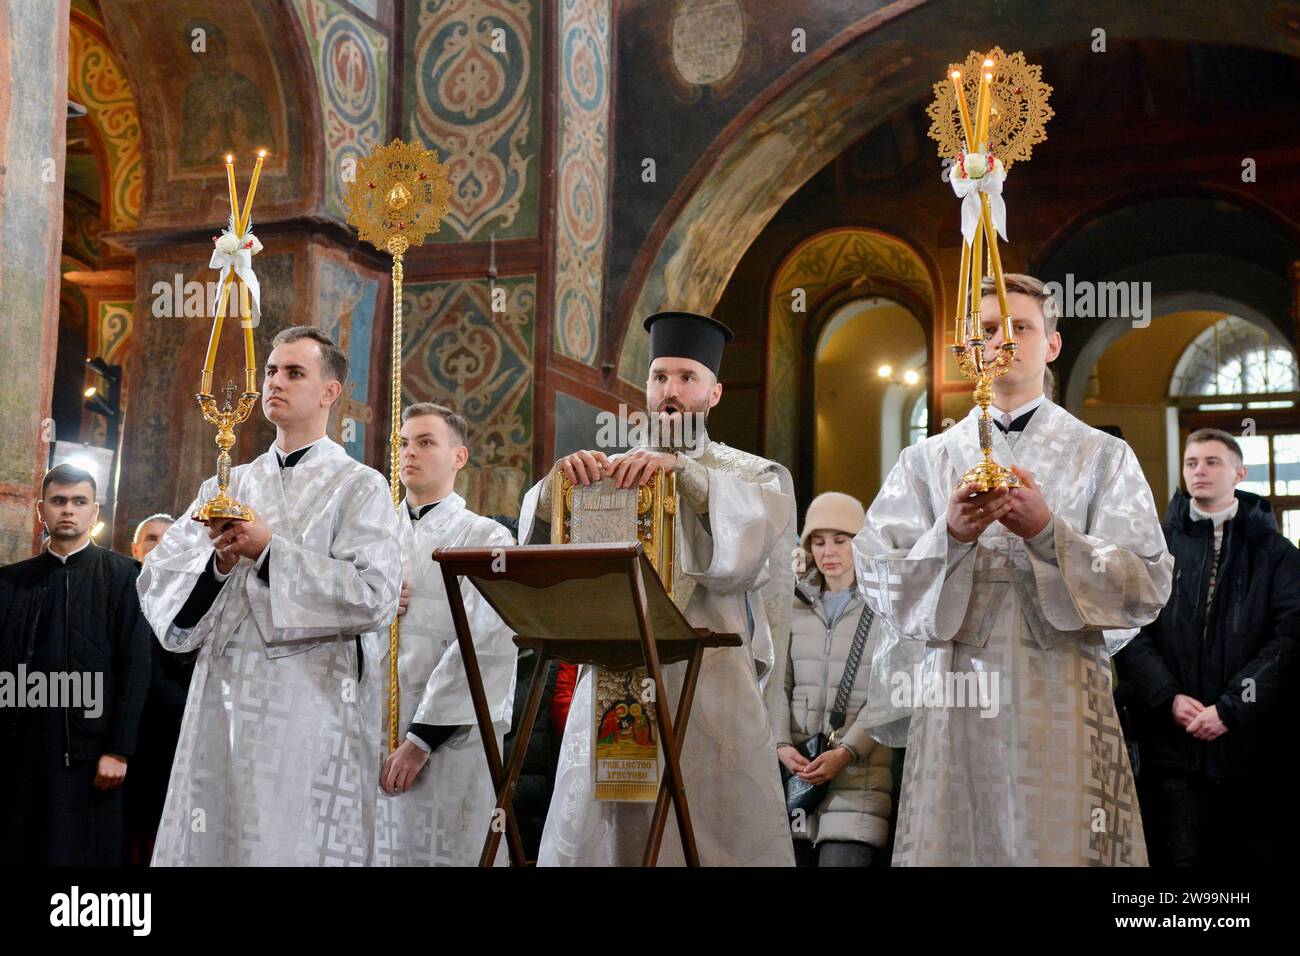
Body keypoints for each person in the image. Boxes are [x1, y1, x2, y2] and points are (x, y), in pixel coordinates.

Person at [856, 274, 1173, 866]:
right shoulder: (925, 460)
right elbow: (877, 573)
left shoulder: (1102, 455)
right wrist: (947, 536)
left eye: (1021, 327)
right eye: (988, 330)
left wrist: (1051, 535)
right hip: (956, 688)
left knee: (1056, 841)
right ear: (970, 348)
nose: (1003, 341)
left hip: (1059, 682)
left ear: (1051, 344)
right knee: (959, 838)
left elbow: (1148, 581)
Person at [519, 310, 797, 866]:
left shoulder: (753, 473)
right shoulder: (611, 468)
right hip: (617, 676)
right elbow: (555, 564)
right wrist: (552, 494)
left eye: (687, 378)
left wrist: (686, 475)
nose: (670, 391)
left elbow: (753, 553)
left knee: (709, 829)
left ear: (714, 393)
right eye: (659, 377)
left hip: (711, 682)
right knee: (609, 834)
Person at [137, 326, 402, 866]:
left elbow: (374, 595)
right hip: (226, 693)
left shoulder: (360, 486)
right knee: (220, 834)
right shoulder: (226, 484)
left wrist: (270, 551)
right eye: (271, 371)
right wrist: (217, 565)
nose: (275, 383)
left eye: (294, 372)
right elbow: (161, 583)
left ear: (330, 393)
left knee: (294, 841)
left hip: (313, 698)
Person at [1119, 428, 1300, 866]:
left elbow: (1288, 639)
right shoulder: (1154, 546)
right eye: (1191, 462)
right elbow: (1130, 627)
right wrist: (1168, 697)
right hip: (1170, 739)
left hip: (1250, 742)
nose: (1199, 470)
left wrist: (1233, 707)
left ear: (1239, 472)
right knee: (1177, 859)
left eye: (1212, 461)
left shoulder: (1276, 552)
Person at [365, 402, 517, 866]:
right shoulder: (367, 534)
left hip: (449, 739)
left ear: (459, 457)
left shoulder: (486, 540)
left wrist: (420, 739)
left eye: (426, 442)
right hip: (366, 728)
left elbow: (485, 643)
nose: (410, 452)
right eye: (403, 442)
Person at [0, 464, 152, 865]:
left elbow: (134, 668)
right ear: (41, 510)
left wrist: (118, 750)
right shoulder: (9, 582)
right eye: (59, 501)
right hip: (21, 751)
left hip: (89, 755)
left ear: (94, 513)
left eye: (79, 501)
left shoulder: (124, 577)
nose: (68, 509)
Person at [775, 492, 893, 867]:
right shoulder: (792, 604)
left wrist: (848, 751)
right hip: (797, 780)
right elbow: (778, 683)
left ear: (862, 542)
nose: (829, 551)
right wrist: (779, 742)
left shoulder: (885, 607)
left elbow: (891, 694)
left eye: (841, 540)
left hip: (859, 783)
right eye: (819, 541)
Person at [124, 513, 195, 865]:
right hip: (126, 733)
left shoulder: (195, 594)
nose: (160, 545)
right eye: (152, 538)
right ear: (135, 548)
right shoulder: (120, 590)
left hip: (175, 732)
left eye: (169, 538)